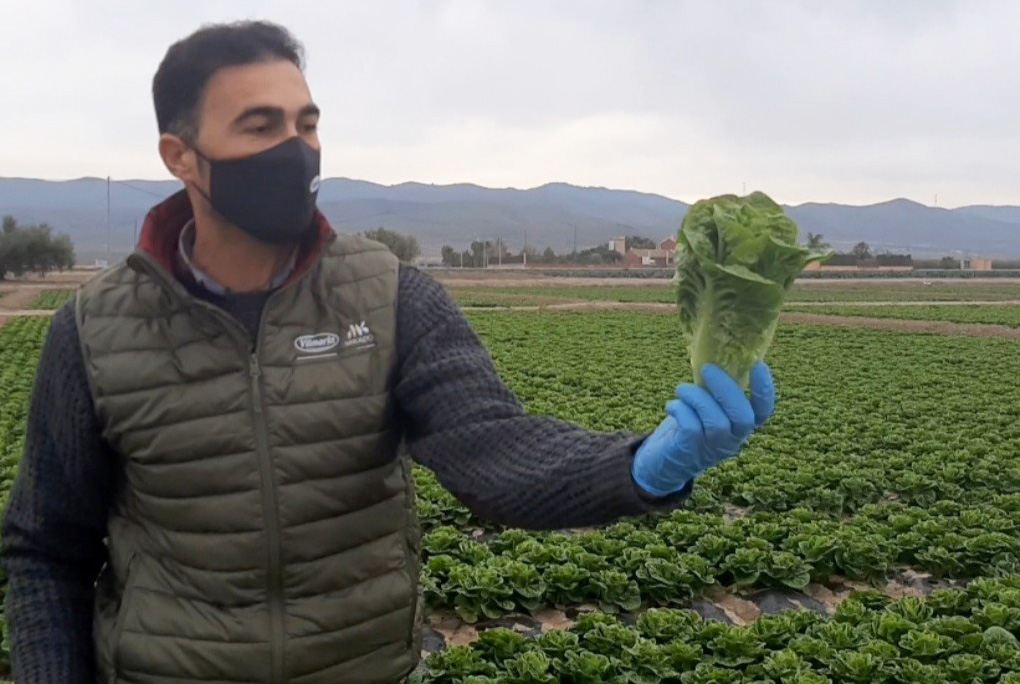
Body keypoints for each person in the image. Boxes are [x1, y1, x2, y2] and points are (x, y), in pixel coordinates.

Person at [0, 20, 775, 684]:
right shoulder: (94, 331)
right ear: (181, 155)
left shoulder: (390, 296)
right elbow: (45, 550)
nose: (296, 149)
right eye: (260, 126)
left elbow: (494, 452)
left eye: (306, 124)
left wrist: (641, 463)